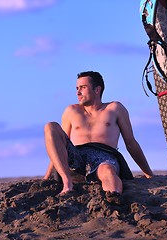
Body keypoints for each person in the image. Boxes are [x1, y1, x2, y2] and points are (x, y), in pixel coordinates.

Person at [43, 71, 153, 201]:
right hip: (77, 156)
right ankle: (67, 184)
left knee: (107, 170)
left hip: (104, 156)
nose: (78, 92)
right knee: (50, 126)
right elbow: (58, 145)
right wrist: (47, 177)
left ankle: (114, 196)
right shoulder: (71, 111)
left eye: (83, 88)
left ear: (97, 89)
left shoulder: (114, 109)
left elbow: (131, 143)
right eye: (77, 88)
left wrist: (148, 174)